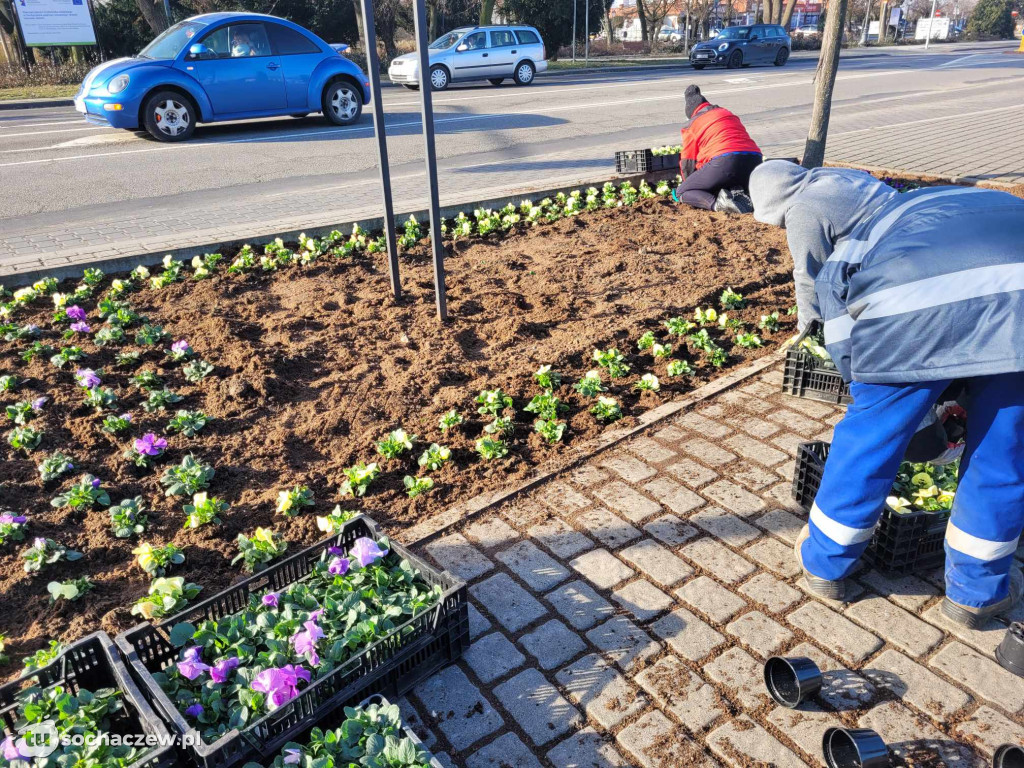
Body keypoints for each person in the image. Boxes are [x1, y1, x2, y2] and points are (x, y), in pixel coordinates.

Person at [749, 160, 1024, 628]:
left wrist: (892, 407)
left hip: (911, 316)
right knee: (1005, 449)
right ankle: (976, 595)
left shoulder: (852, 248)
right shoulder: (903, 199)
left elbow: (844, 346)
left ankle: (825, 564)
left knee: (870, 437)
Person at [673, 85, 762, 213]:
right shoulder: (726, 113)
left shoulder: (691, 124)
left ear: (690, 112)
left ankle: (718, 204)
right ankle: (740, 195)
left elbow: (688, 162)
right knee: (726, 177)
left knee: (682, 191)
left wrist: (690, 183)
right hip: (754, 160)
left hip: (726, 161)